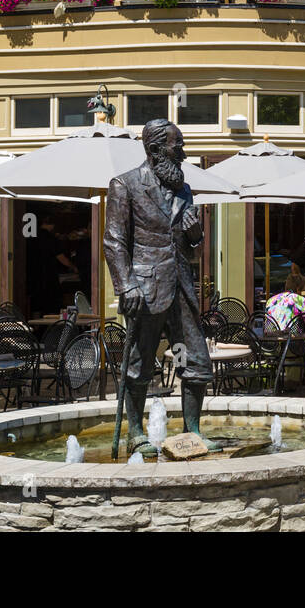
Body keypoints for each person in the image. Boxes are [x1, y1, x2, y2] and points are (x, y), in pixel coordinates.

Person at [103, 119, 216, 456]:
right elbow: (114, 242)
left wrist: (196, 233)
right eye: (176, 145)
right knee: (139, 362)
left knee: (196, 361)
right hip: (145, 288)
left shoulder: (184, 189)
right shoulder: (125, 185)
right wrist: (126, 286)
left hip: (180, 285)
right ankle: (136, 432)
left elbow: (188, 242)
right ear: (155, 149)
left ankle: (192, 431)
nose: (183, 152)